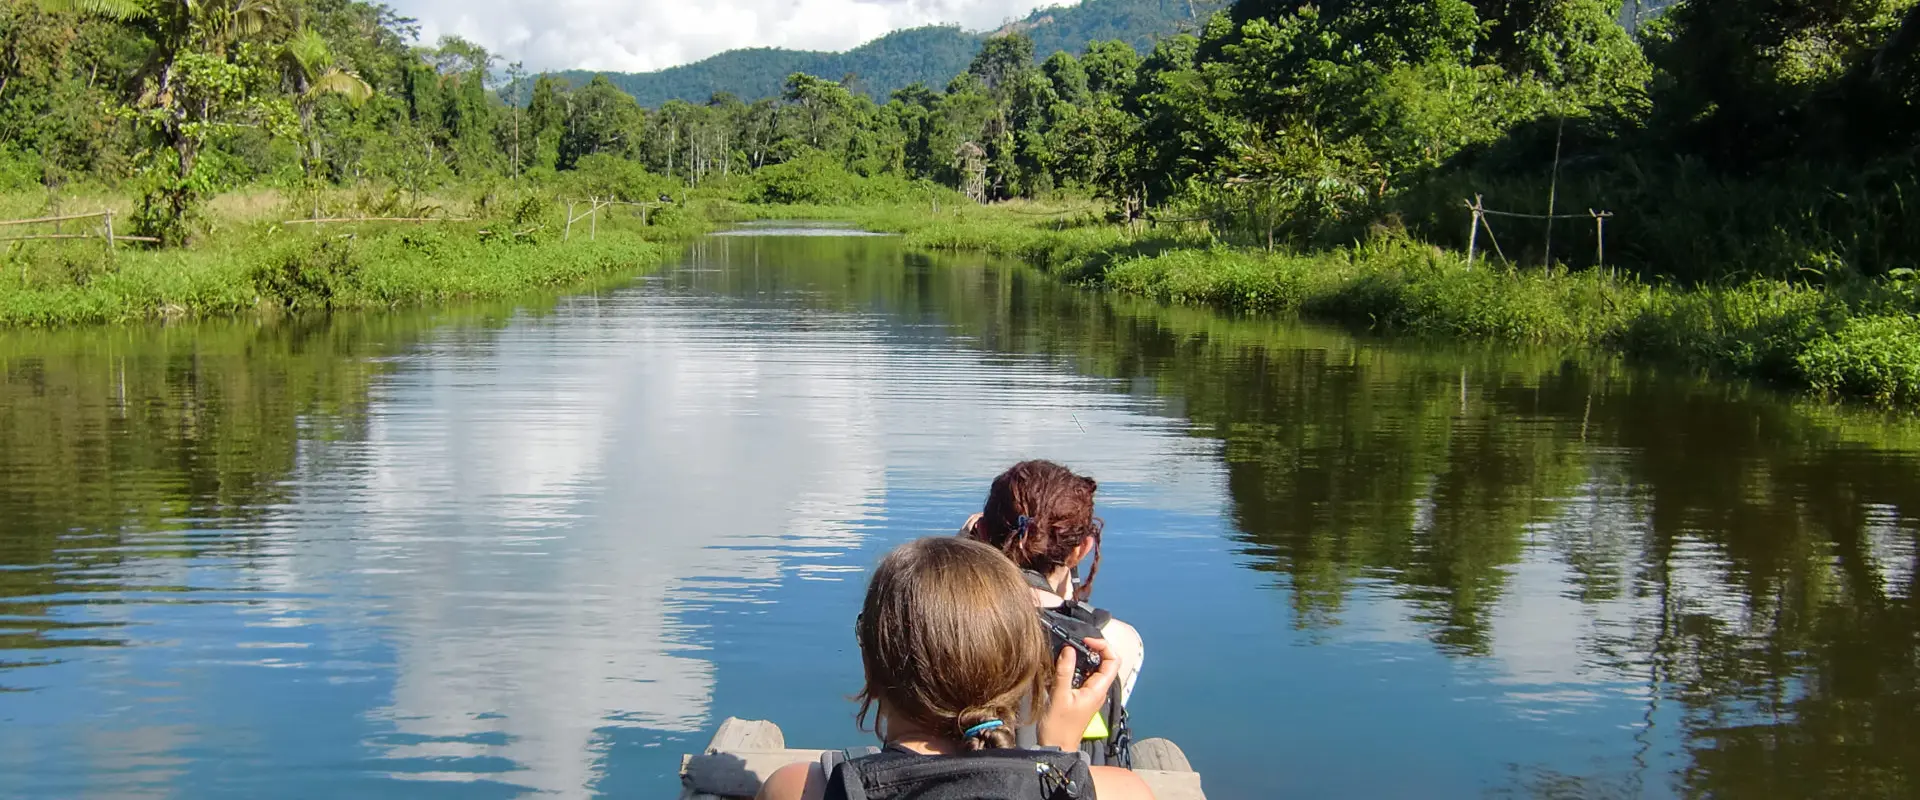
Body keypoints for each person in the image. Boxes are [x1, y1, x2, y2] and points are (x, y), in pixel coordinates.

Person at [756, 537, 1154, 800]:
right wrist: (1059, 758)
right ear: (1024, 669)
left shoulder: (804, 789)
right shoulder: (1123, 792)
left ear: (871, 663)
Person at [962, 461, 1145, 707]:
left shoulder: (946, 620)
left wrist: (961, 555)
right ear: (1082, 550)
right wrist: (1067, 601)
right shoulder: (1117, 640)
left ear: (982, 534)